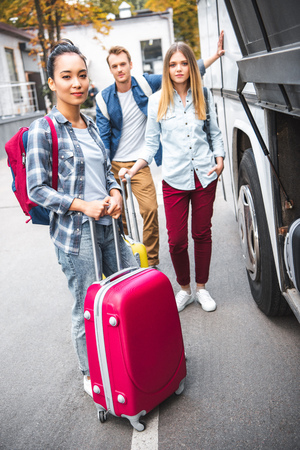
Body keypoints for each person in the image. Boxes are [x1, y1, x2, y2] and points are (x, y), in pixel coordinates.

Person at [26, 40, 137, 397]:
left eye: (82, 75)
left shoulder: (90, 125)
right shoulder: (45, 129)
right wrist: (80, 204)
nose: (77, 83)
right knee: (86, 307)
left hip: (107, 226)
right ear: (52, 82)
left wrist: (116, 193)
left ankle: (131, 359)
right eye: (67, 76)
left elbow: (104, 174)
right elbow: (37, 189)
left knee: (129, 289)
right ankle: (92, 376)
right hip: (76, 237)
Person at [96, 32, 225, 269]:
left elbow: (186, 68)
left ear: (130, 65)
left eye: (123, 64)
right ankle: (127, 262)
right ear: (111, 70)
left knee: (150, 211)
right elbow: (104, 139)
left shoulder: (146, 84)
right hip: (115, 162)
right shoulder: (104, 99)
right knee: (119, 216)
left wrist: (215, 56)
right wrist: (104, 170)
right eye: (114, 66)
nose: (120, 69)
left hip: (141, 160)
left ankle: (150, 264)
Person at [119, 42, 225, 313]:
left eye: (183, 63)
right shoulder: (157, 100)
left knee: (202, 234)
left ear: (191, 66)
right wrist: (133, 168)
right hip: (174, 179)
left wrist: (220, 158)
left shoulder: (203, 93)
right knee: (177, 240)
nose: (178, 68)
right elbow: (151, 144)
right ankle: (184, 289)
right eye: (173, 64)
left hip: (204, 176)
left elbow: (214, 132)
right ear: (167, 68)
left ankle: (201, 288)